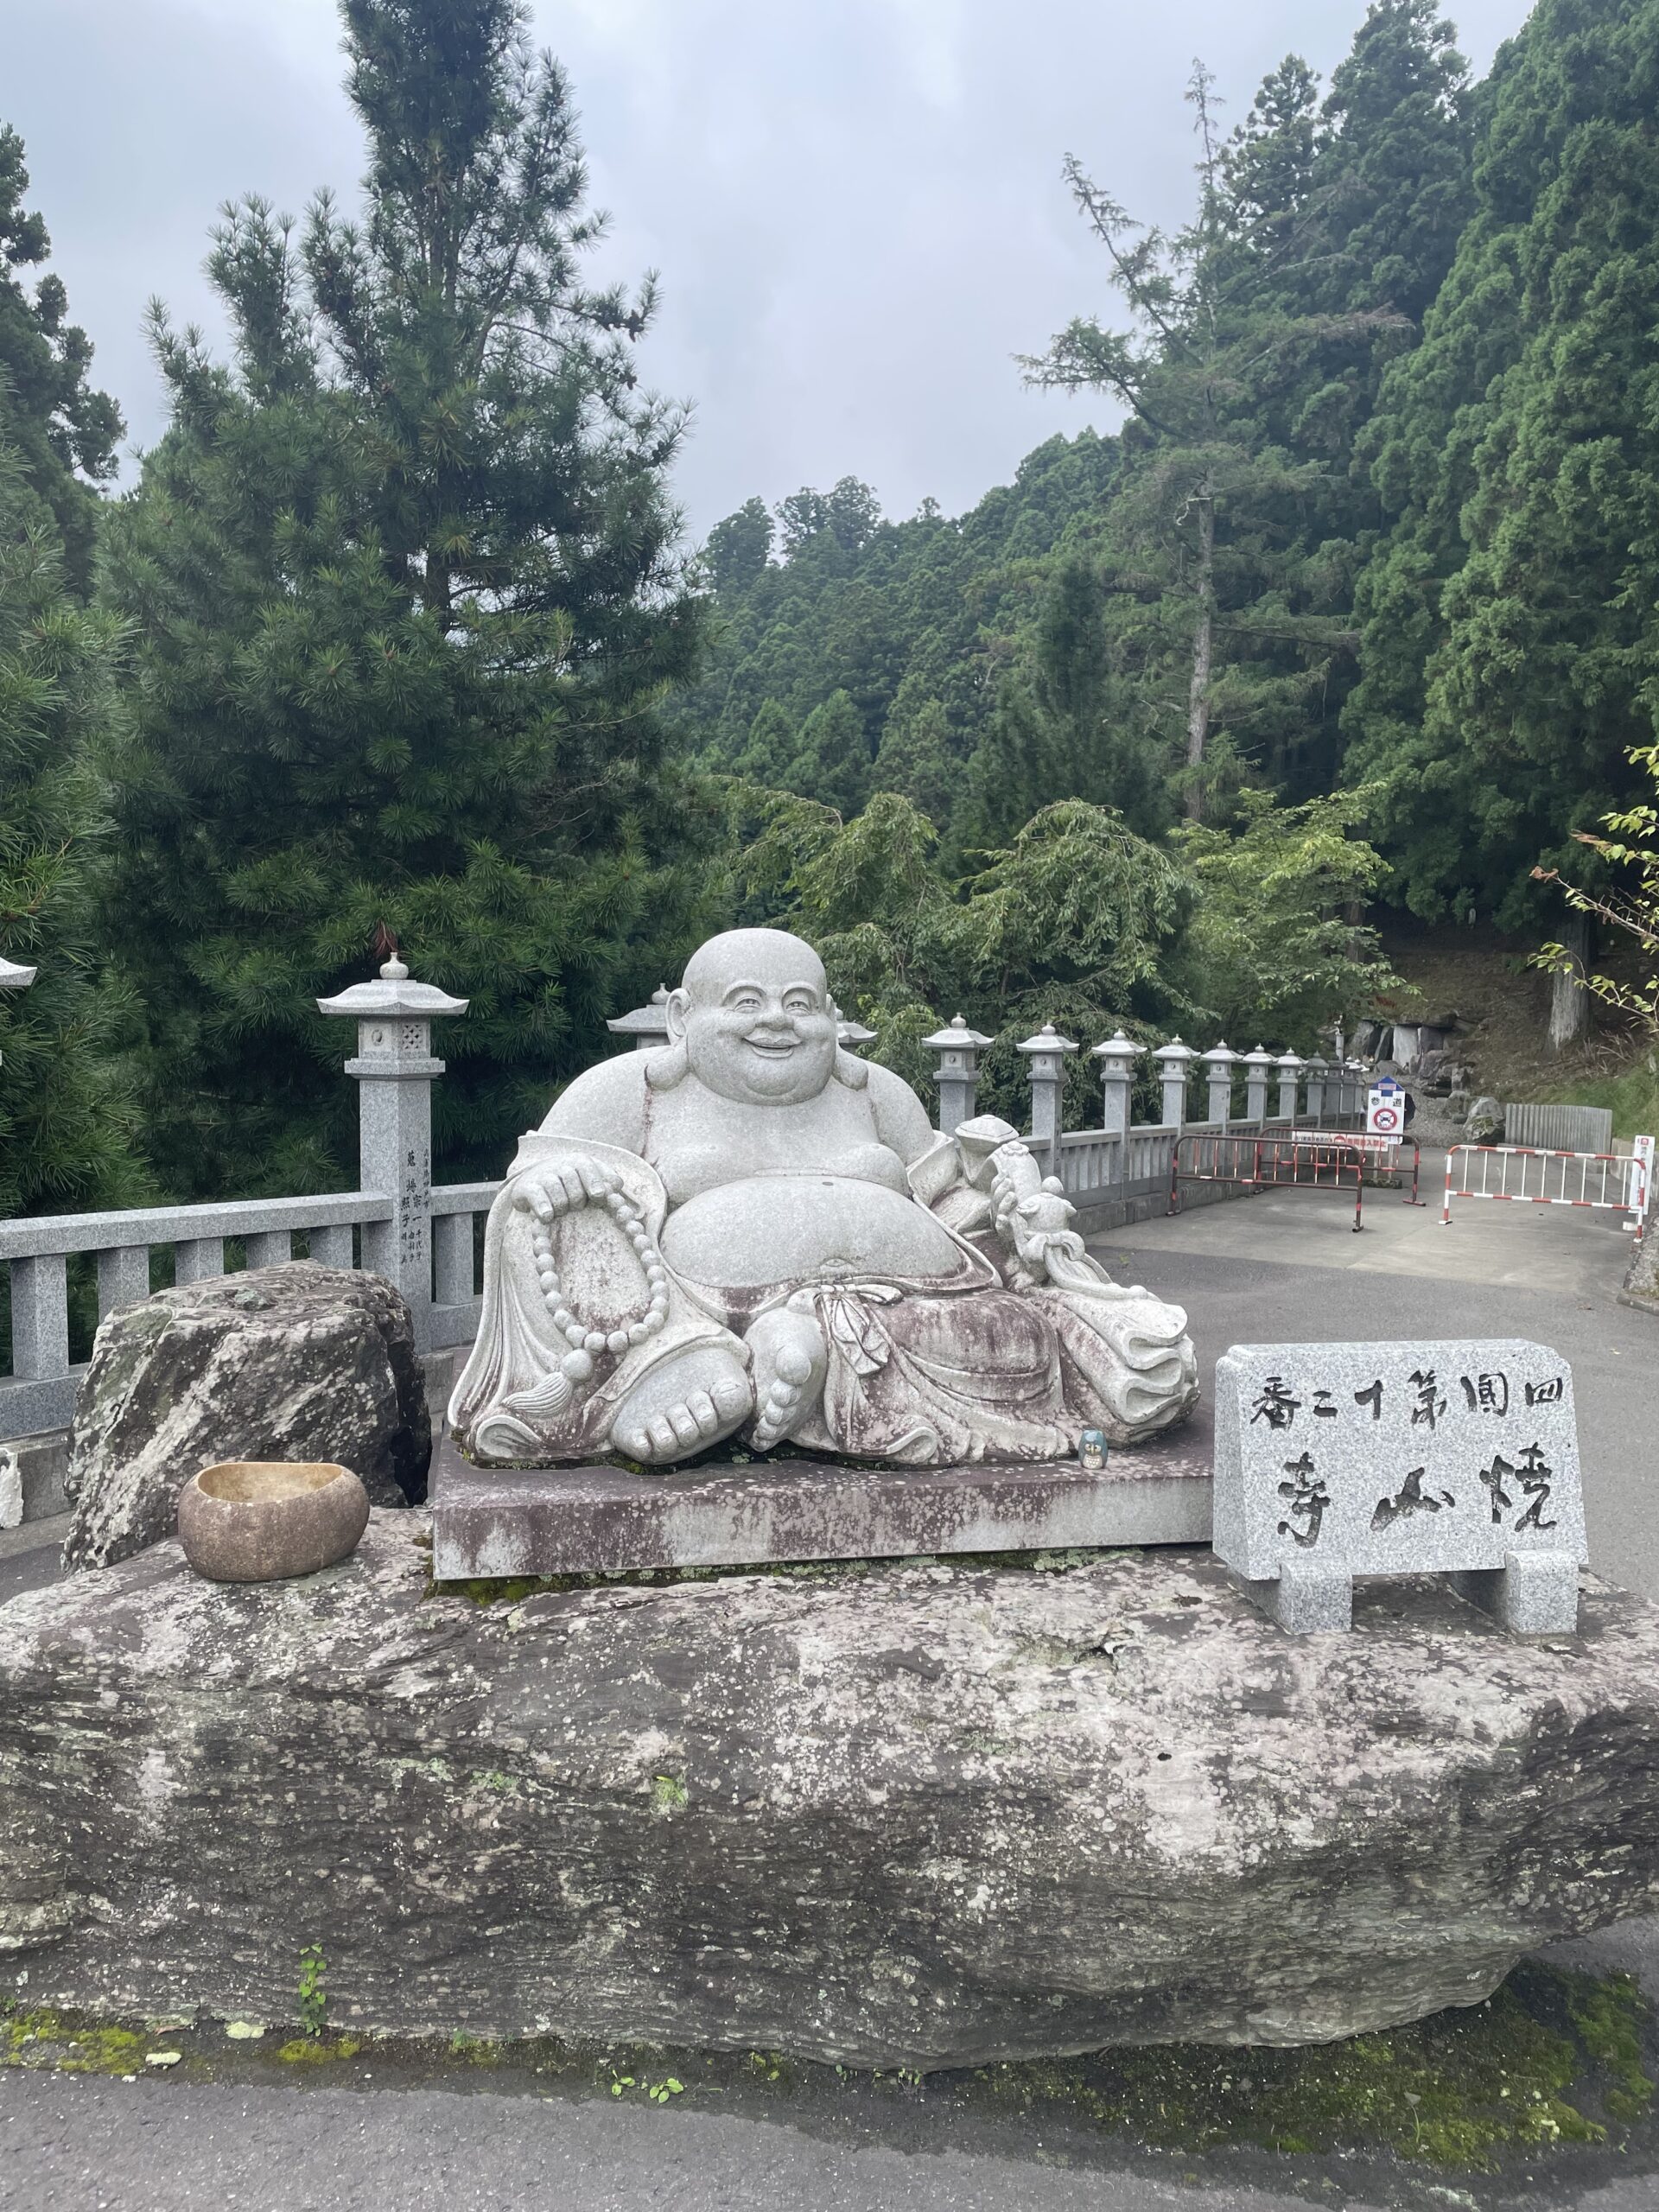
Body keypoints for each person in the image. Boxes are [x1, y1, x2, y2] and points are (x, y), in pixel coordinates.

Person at [451, 929, 1198, 1466]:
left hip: (920, 1305)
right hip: (699, 1309)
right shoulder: (630, 1091)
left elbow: (950, 1203)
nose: (777, 1019)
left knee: (1031, 1339)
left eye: (801, 1003)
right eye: (746, 1001)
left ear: (833, 1016)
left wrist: (1006, 1203)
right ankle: (684, 1365)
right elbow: (532, 1200)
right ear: (683, 1017)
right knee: (544, 1214)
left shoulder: (877, 1093)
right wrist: (556, 1183)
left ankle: (798, 1359)